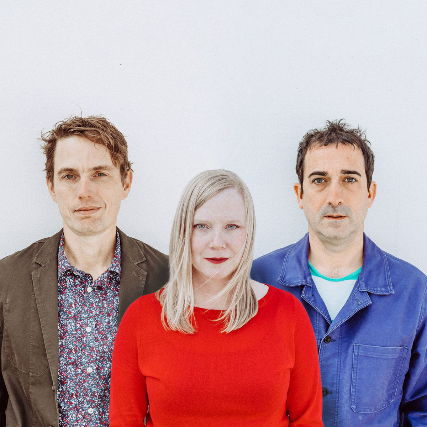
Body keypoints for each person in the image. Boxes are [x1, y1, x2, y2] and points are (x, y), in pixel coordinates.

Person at [109, 169, 323, 427]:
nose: (217, 242)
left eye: (232, 226)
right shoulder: (141, 318)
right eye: (202, 226)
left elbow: (307, 420)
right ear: (183, 232)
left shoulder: (288, 313)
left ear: (248, 232)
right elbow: (125, 421)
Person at [251, 120, 427, 427]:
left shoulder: (413, 293)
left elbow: (422, 410)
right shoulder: (257, 281)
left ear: (370, 193)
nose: (335, 197)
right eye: (319, 180)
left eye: (349, 179)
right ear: (300, 194)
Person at [0, 116, 169, 427]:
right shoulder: (7, 279)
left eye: (99, 174)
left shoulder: (171, 279)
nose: (84, 191)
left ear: (126, 182)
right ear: (51, 187)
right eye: (69, 176)